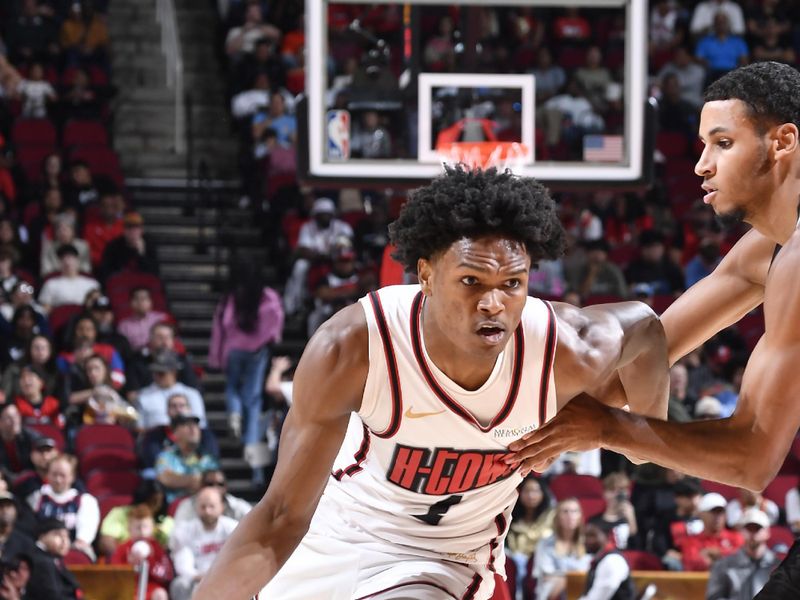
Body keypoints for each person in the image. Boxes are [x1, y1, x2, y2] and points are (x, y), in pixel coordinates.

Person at [194, 166, 670, 599]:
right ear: (425, 273)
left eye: (513, 284)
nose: (493, 303)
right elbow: (280, 515)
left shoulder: (565, 349)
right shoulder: (355, 346)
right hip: (338, 531)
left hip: (446, 560)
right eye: (471, 282)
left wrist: (639, 440)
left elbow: (647, 328)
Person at [505, 62, 800, 597]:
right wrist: (528, 423)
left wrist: (609, 429)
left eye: (723, 143)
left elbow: (752, 459)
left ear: (782, 142)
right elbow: (649, 345)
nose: (701, 166)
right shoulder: (770, 246)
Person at [207, 261, 283, 483]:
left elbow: (223, 324)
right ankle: (255, 469)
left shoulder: (232, 296)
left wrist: (216, 357)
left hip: (234, 349)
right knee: (253, 401)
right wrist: (270, 338)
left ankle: (233, 413)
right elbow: (275, 316)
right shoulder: (266, 295)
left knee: (232, 387)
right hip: (257, 351)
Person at [27, 454, 100, 561]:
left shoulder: (85, 501)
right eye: (54, 474)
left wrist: (64, 546)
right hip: (40, 550)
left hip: (74, 550)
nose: (58, 480)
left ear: (72, 477)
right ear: (48, 474)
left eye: (63, 475)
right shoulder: (36, 498)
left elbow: (84, 538)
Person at [169, 486, 237, 600]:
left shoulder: (234, 528)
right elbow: (183, 563)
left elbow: (237, 559)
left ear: (222, 507)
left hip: (225, 577)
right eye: (203, 506)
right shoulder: (184, 530)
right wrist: (198, 576)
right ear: (196, 508)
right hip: (196, 579)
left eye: (212, 506)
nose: (207, 511)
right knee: (179, 584)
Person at [706, 508, 779, 600]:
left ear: (767, 532)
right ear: (742, 531)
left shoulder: (778, 566)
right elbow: (714, 597)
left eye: (757, 528)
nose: (753, 533)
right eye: (749, 528)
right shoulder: (723, 565)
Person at [108, 504, 173, 600]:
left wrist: (150, 561)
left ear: (152, 529)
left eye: (145, 527)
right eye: (138, 528)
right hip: (129, 589)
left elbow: (167, 575)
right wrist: (130, 567)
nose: (142, 532)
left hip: (150, 588)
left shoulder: (156, 548)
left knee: (160, 594)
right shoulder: (122, 549)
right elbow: (114, 575)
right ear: (129, 529)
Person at [533, 498, 592, 600]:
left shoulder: (588, 542)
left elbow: (592, 575)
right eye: (565, 511)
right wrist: (576, 577)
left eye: (574, 511)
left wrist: (562, 577)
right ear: (557, 517)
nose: (570, 515)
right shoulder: (545, 543)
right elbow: (546, 578)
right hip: (552, 595)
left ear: (580, 516)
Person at [155, 415, 219, 505]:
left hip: (205, 505)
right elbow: (165, 478)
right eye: (187, 425)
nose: (193, 428)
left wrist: (181, 480)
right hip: (176, 506)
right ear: (175, 433)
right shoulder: (166, 456)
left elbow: (215, 481)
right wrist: (197, 480)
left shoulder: (208, 457)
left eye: (196, 425)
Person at [28, 518, 82, 600]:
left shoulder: (54, 558)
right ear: (42, 536)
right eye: (58, 535)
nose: (64, 541)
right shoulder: (41, 561)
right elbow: (52, 597)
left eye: (67, 536)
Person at [579, 521, 635, 600]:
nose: (586, 540)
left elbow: (597, 598)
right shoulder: (600, 558)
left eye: (592, 536)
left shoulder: (612, 561)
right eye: (585, 536)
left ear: (606, 536)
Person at [172, 469, 251, 524]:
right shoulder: (187, 506)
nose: (215, 488)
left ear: (226, 487)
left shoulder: (239, 507)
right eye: (209, 484)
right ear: (201, 486)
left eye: (220, 484)